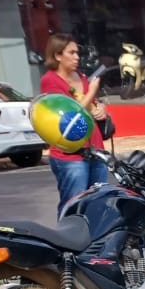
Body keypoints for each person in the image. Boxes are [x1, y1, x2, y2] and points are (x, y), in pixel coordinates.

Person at [39, 33, 111, 215]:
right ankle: (67, 241)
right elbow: (69, 116)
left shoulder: (81, 77)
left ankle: (94, 242)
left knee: (98, 203)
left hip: (94, 149)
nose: (77, 57)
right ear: (57, 55)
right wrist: (91, 91)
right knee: (73, 204)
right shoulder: (50, 81)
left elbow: (91, 105)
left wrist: (101, 108)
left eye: (77, 53)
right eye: (71, 53)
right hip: (70, 155)